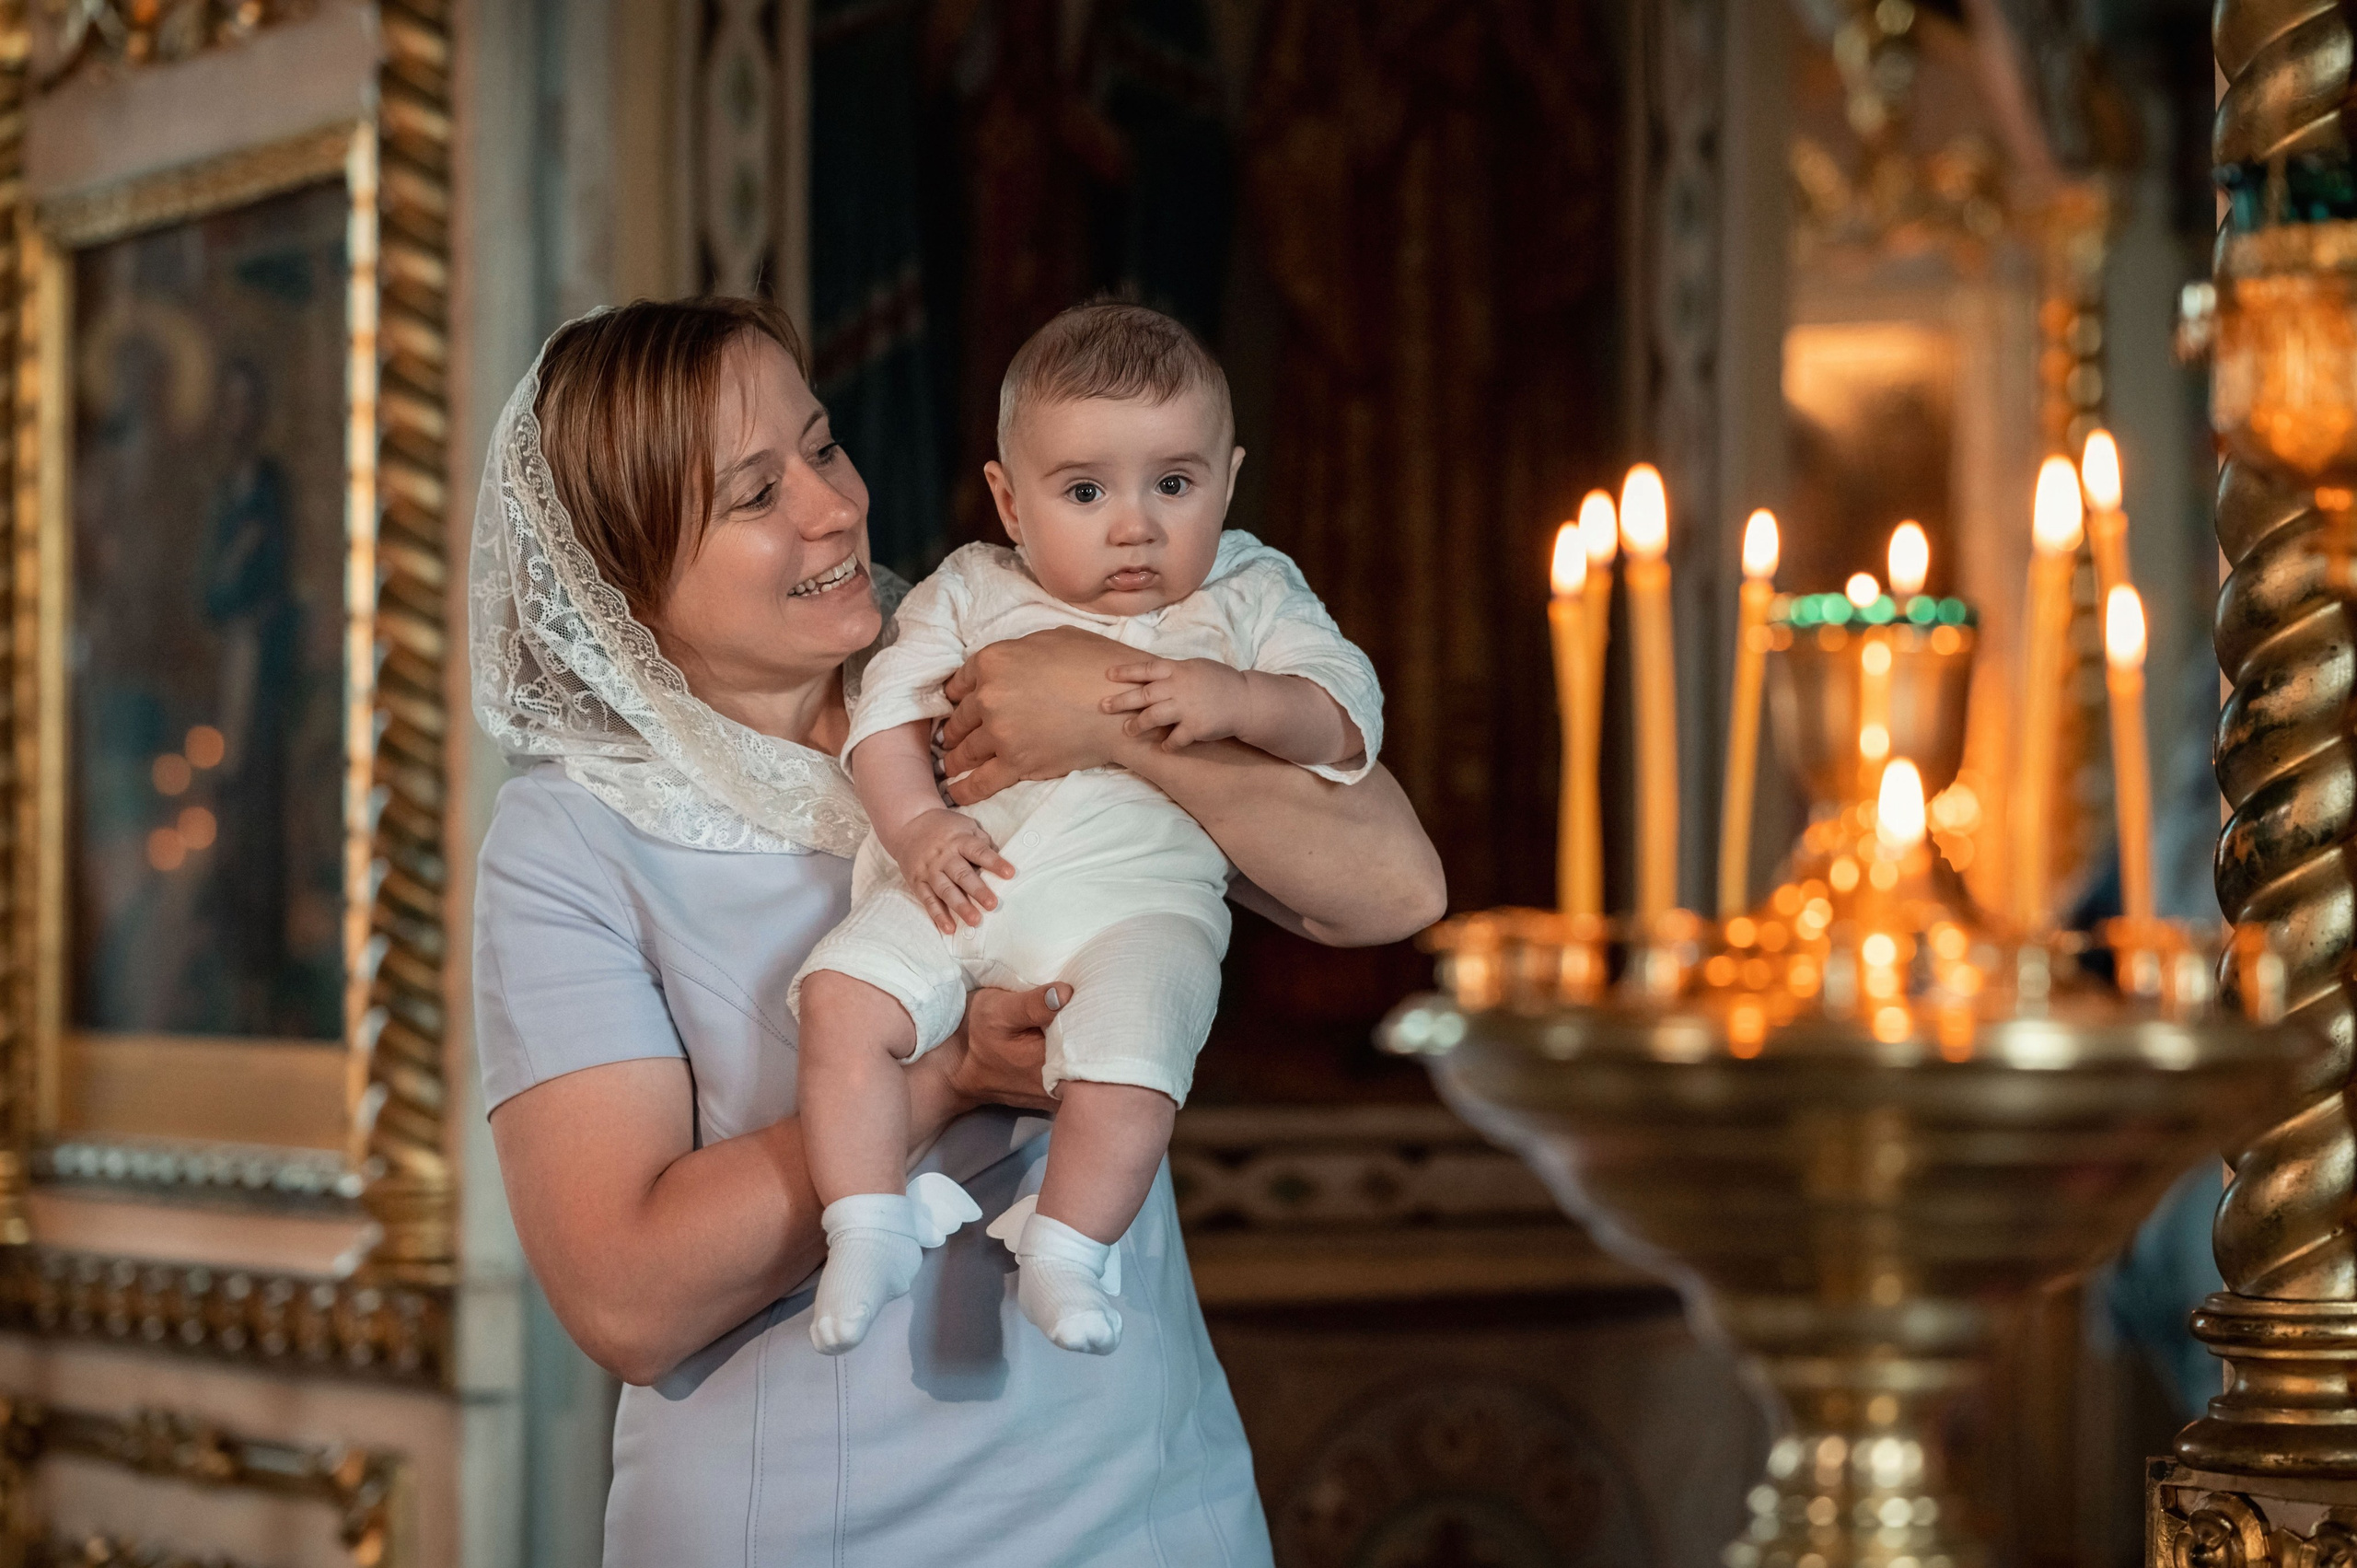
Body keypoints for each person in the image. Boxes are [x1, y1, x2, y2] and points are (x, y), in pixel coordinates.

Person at [470, 296, 1446, 1564]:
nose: (833, 507)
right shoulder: (572, 837)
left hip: (1151, 1499)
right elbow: (626, 1296)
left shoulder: (988, 658)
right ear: (629, 567)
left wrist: (1100, 719)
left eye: (822, 447)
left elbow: (1392, 885)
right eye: (756, 494)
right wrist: (940, 1081)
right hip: (821, 1530)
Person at [794, 303, 1384, 1358]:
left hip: (1139, 911)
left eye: (1174, 483)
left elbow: (1345, 718)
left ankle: (1067, 1249)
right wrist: (921, 826)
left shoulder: (1250, 592)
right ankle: (866, 1222)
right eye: (1083, 491)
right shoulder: (972, 588)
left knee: (1132, 1067)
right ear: (1008, 500)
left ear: (1229, 480)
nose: (1135, 526)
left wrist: (1240, 699)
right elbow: (884, 719)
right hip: (968, 880)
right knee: (844, 1000)